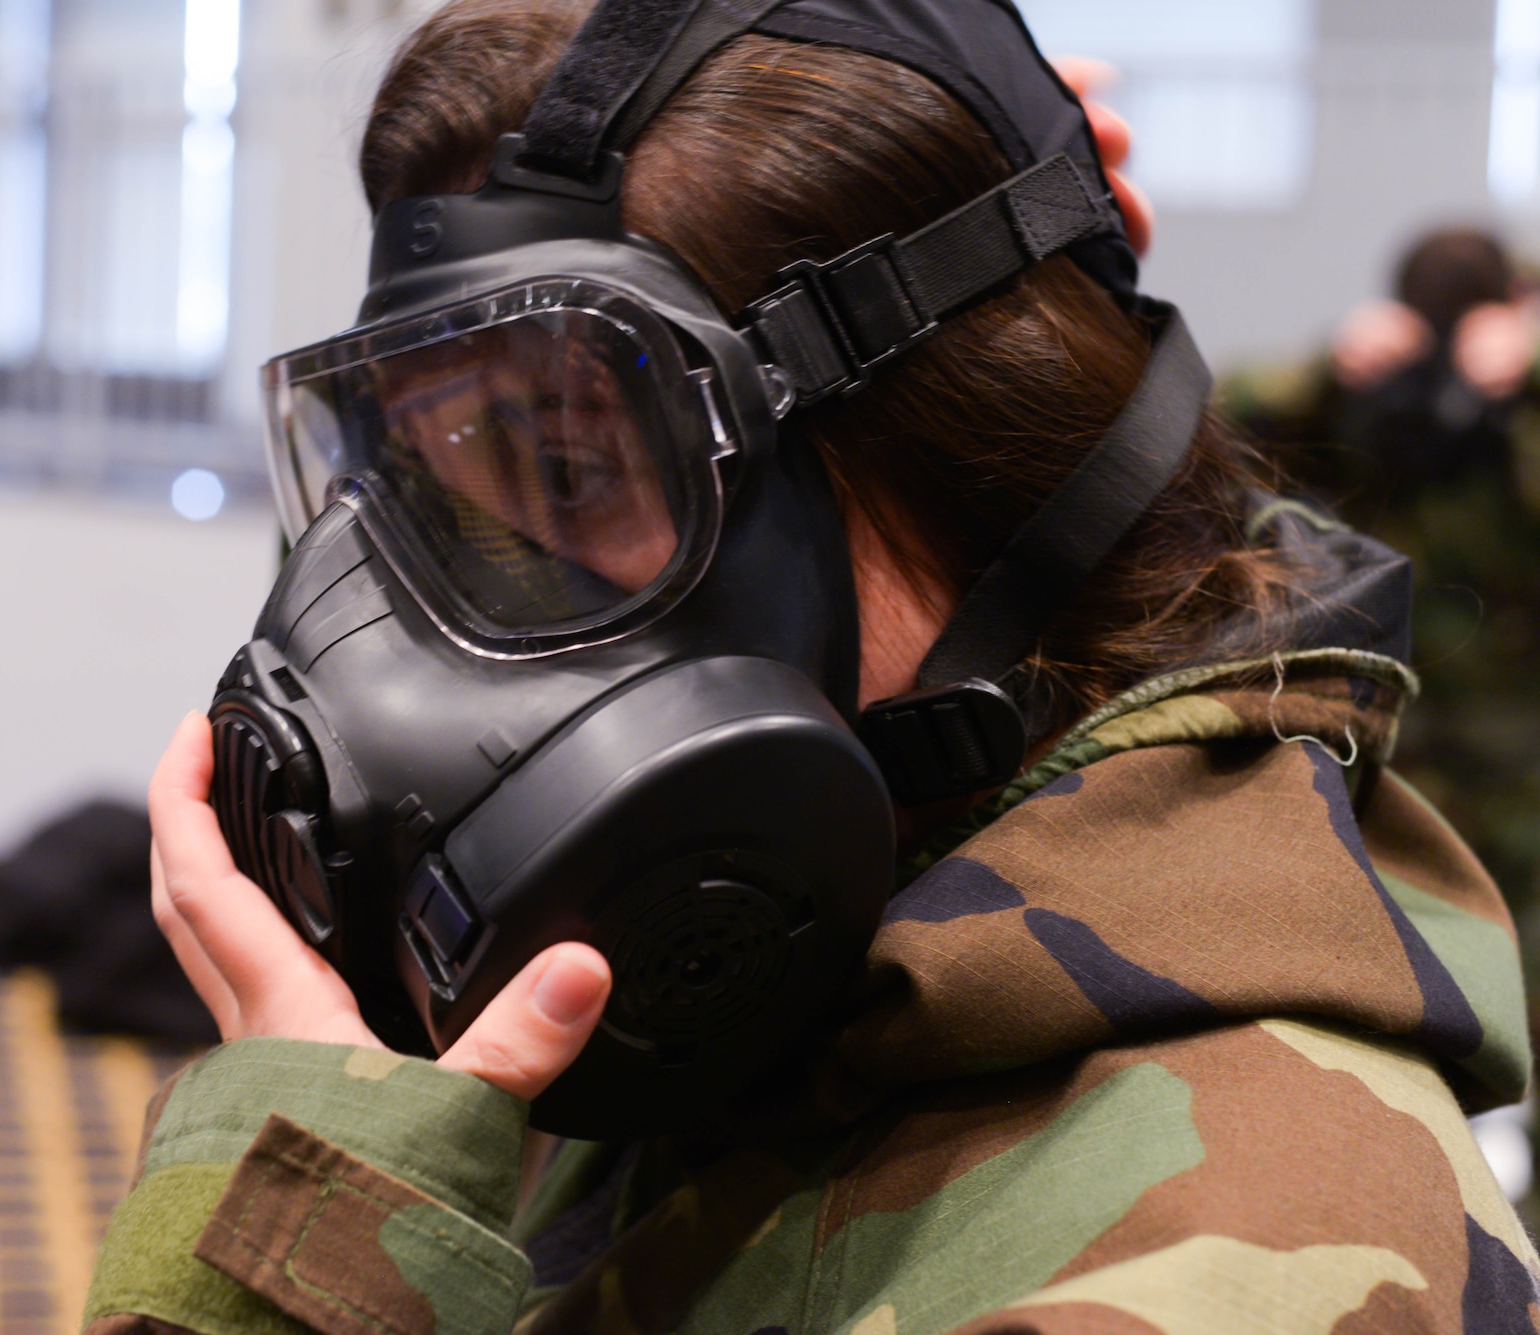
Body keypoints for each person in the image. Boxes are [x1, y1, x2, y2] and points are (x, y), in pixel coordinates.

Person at [85, 3, 1535, 1331]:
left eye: (570, 466)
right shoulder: (765, 997)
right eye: (442, 494)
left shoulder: (1246, 1251)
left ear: (966, 448)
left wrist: (286, 1273)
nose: (467, 619)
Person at [1228, 230, 1540, 1003]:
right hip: (1398, 767)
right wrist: (1330, 373)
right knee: (1403, 995)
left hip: (1523, 769)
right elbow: (1216, 435)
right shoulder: (1366, 401)